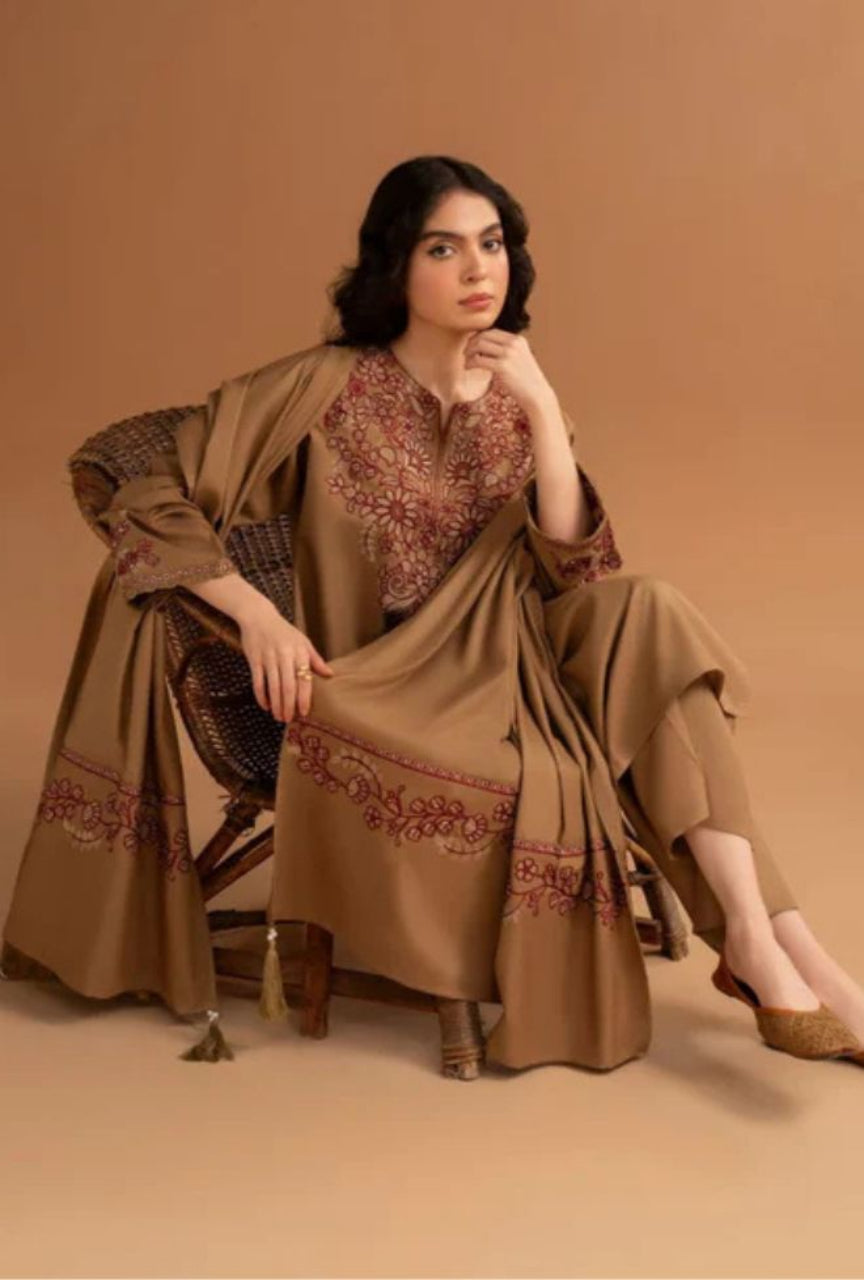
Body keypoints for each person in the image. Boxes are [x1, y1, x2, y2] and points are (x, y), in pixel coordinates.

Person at [4, 155, 863, 1072]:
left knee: (651, 611)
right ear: (396, 266)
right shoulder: (323, 387)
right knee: (668, 703)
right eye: (443, 248)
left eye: (491, 245)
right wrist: (255, 614)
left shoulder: (522, 397)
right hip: (383, 685)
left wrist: (544, 409)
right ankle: (780, 954)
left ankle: (773, 944)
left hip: (519, 664)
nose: (477, 269)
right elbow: (140, 489)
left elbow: (578, 571)